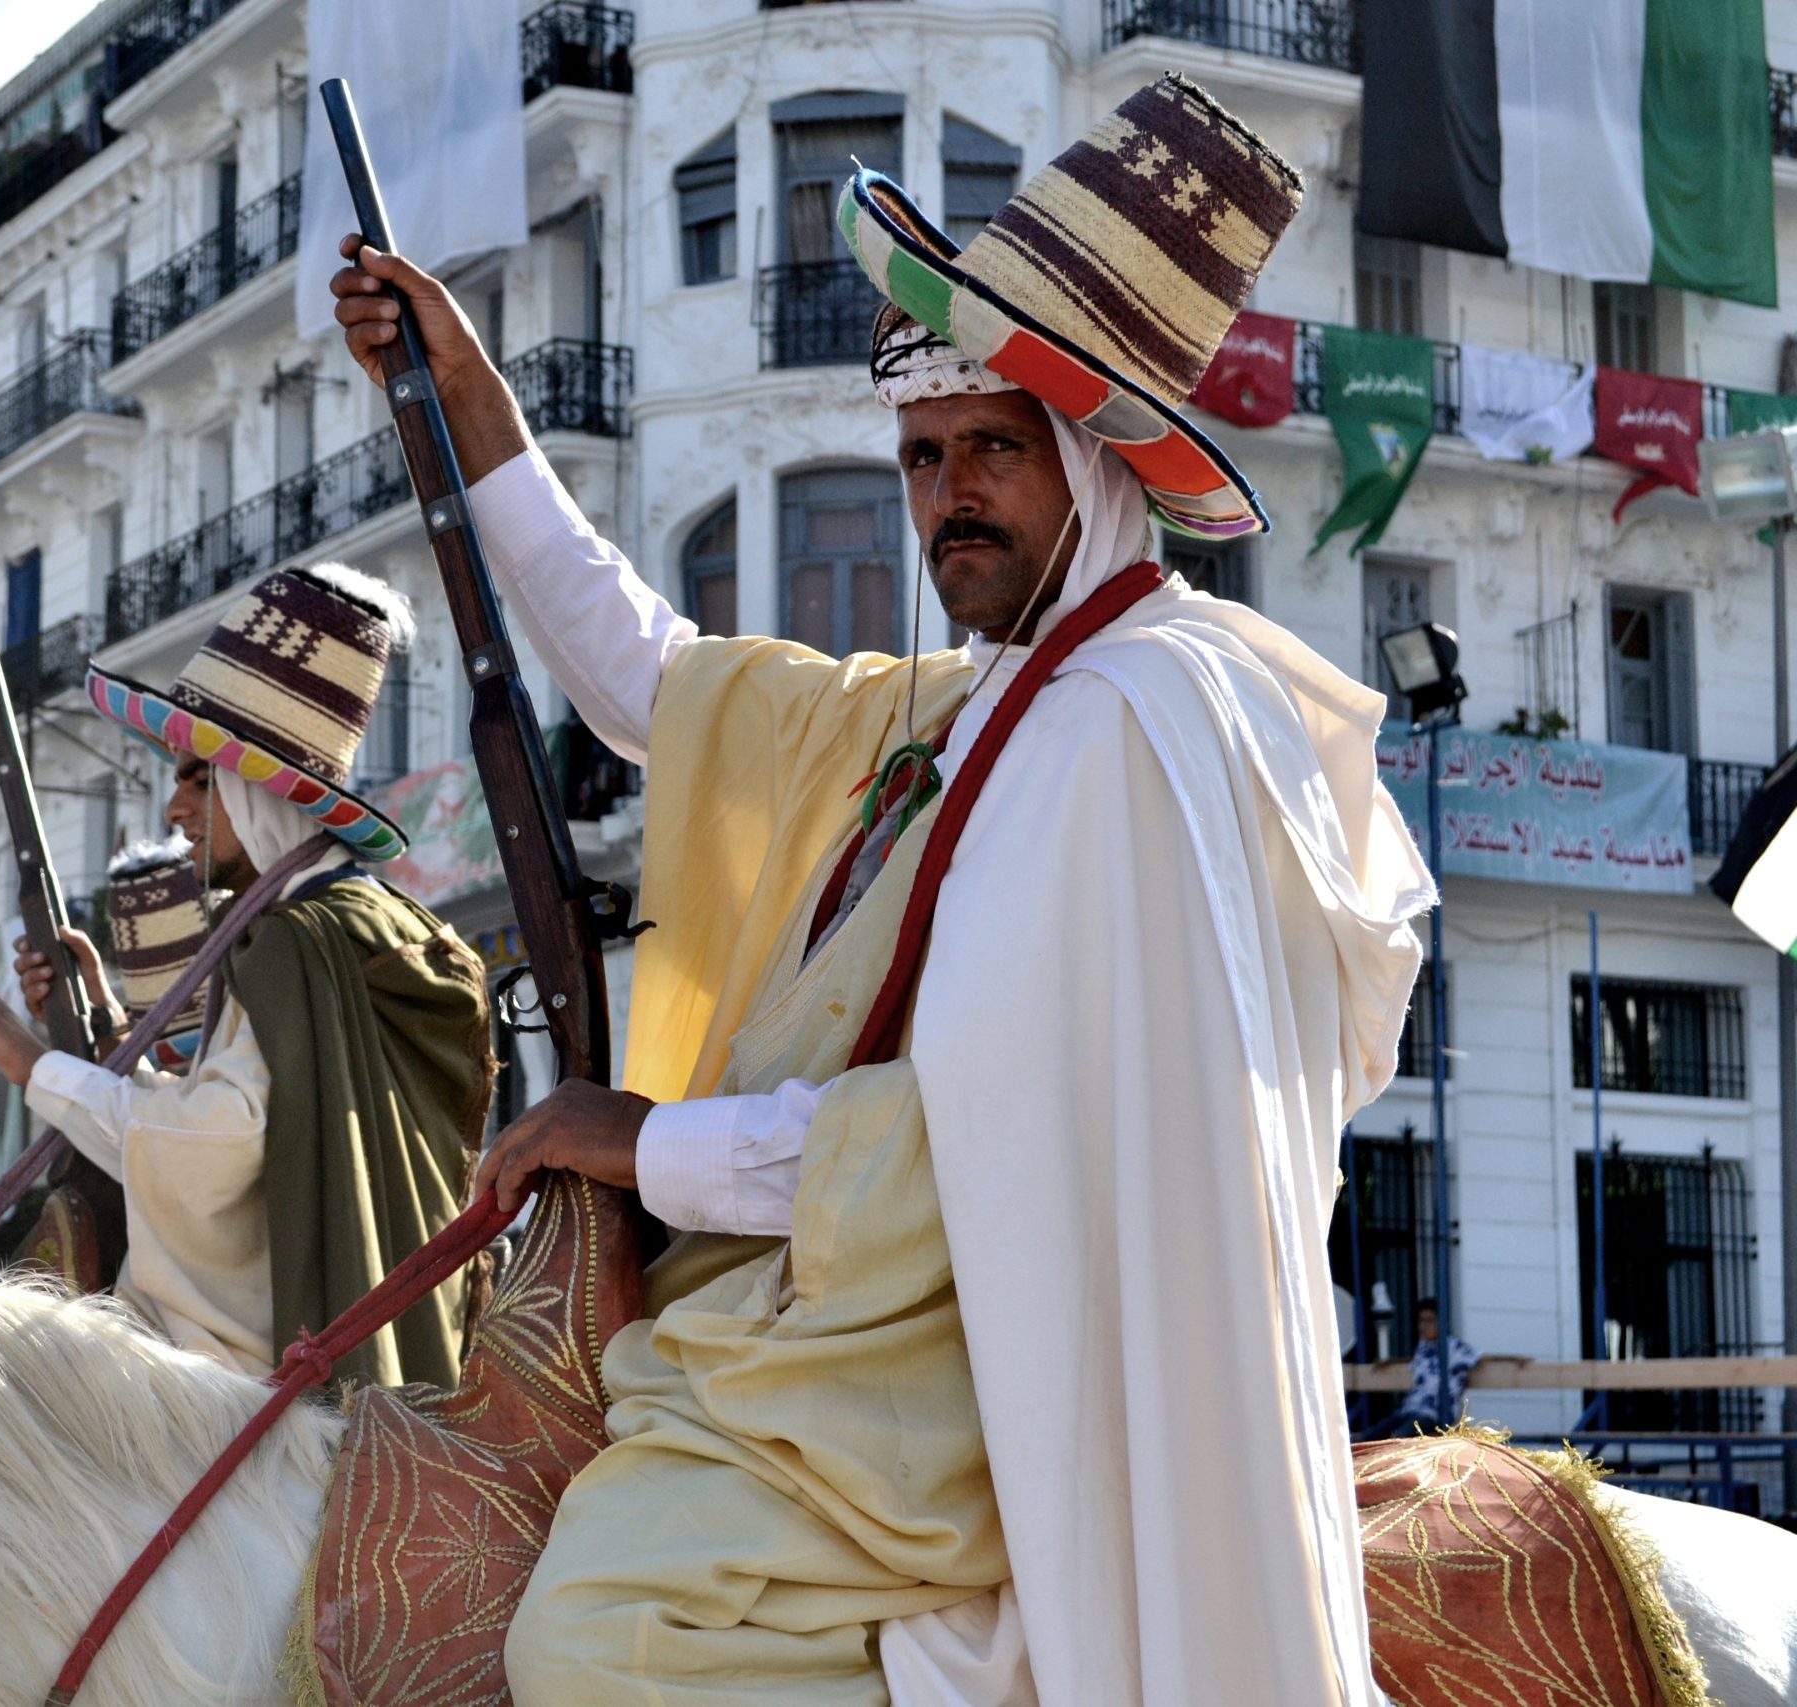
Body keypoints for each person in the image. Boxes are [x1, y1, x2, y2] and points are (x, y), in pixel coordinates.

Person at [330, 74, 1432, 1707]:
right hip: (841, 1315)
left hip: (974, 1361)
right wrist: (469, 399)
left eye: (996, 446)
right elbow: (656, 680)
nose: (948, 494)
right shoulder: (968, 702)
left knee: (595, 1643)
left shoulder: (1136, 717)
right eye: (922, 455)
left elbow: (976, 1134)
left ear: (1097, 464)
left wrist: (644, 1142)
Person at [0, 562, 493, 1387]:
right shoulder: (362, 925)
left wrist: (34, 1063)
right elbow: (245, 1127)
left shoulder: (302, 941)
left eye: (198, 776)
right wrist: (109, 1034)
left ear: (257, 785)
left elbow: (212, 1152)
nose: (175, 809)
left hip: (255, 1390)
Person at [1380, 1298, 1482, 1437]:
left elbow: (1481, 1358)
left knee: (1397, 1438)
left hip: (1436, 1414)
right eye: (1421, 1320)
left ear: (1442, 1322)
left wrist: (1516, 1360)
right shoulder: (1422, 1347)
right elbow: (1417, 1361)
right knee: (1369, 1436)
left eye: (1429, 1321)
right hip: (1411, 1409)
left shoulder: (1454, 1348)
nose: (1423, 1326)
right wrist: (1393, 1361)